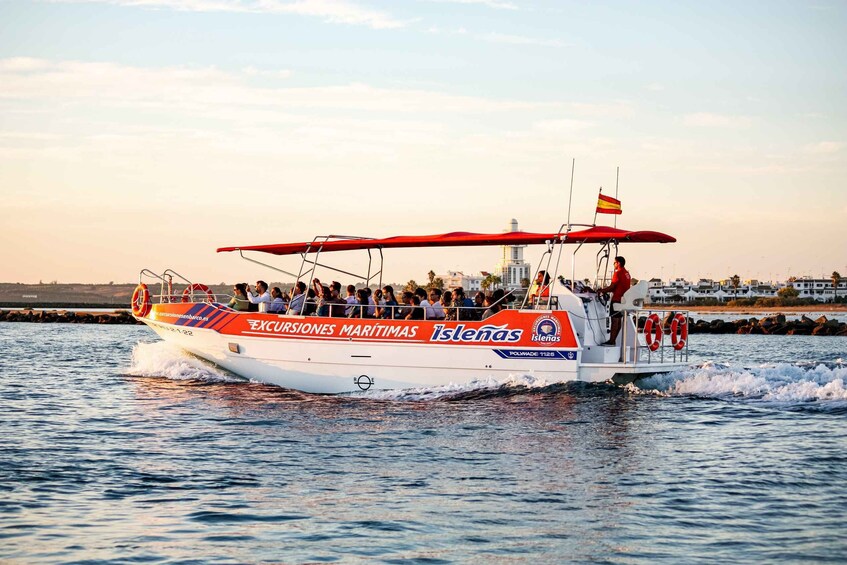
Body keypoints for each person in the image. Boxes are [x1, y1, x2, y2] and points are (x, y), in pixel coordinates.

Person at [597, 256, 632, 346]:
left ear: (618, 263)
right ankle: (613, 340)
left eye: (614, 263)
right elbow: (620, 287)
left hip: (616, 300)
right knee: (618, 321)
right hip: (623, 300)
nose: (613, 264)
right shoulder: (627, 273)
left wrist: (602, 291)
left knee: (614, 321)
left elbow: (613, 286)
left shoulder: (618, 273)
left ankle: (611, 341)